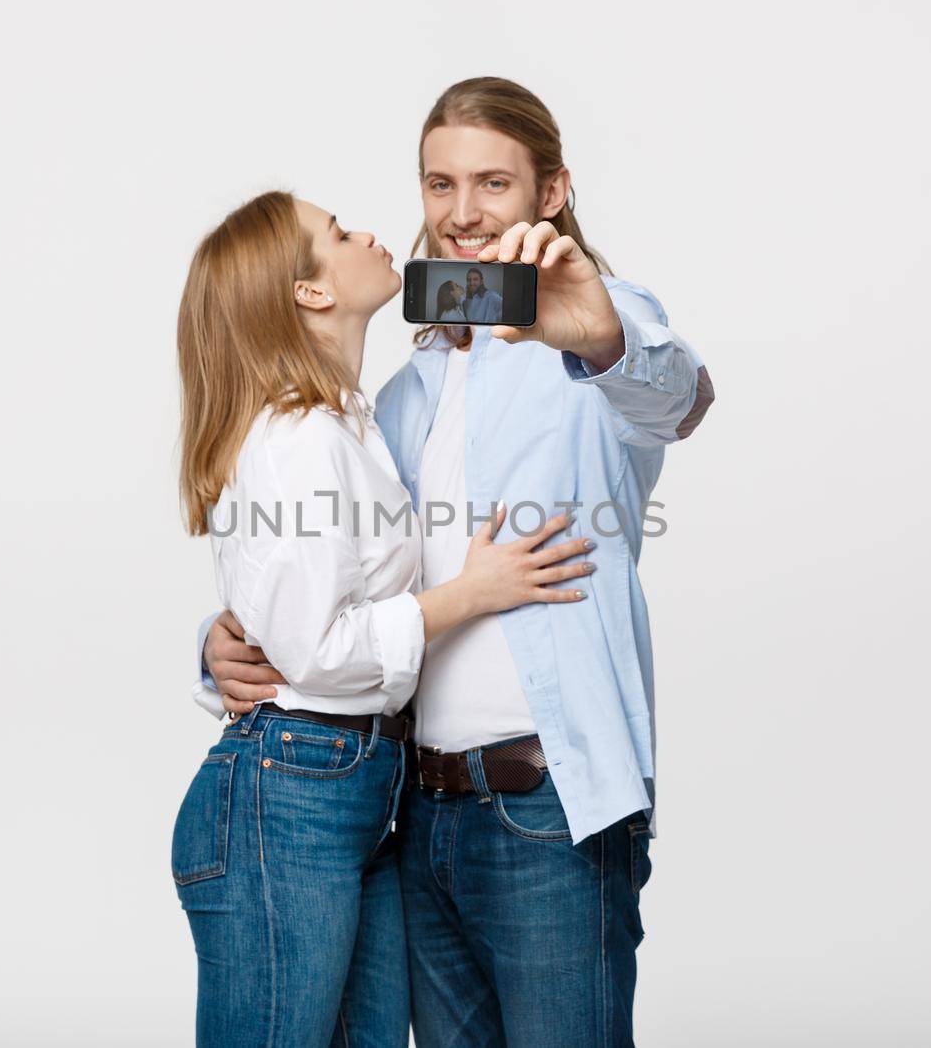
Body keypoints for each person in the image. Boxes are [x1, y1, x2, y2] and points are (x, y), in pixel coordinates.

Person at [200, 77, 717, 1046]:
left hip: (549, 813)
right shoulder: (397, 395)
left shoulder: (595, 335)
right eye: (441, 185)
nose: (464, 212)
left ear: (551, 192)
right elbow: (332, 572)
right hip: (415, 819)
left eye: (492, 184)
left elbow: (678, 398)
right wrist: (222, 642)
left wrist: (597, 332)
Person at [172, 190, 595, 1048]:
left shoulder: (356, 422)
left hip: (359, 784)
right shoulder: (303, 439)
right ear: (311, 293)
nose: (369, 232)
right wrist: (472, 592)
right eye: (336, 233)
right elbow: (320, 645)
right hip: (293, 787)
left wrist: (225, 643)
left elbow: (300, 607)